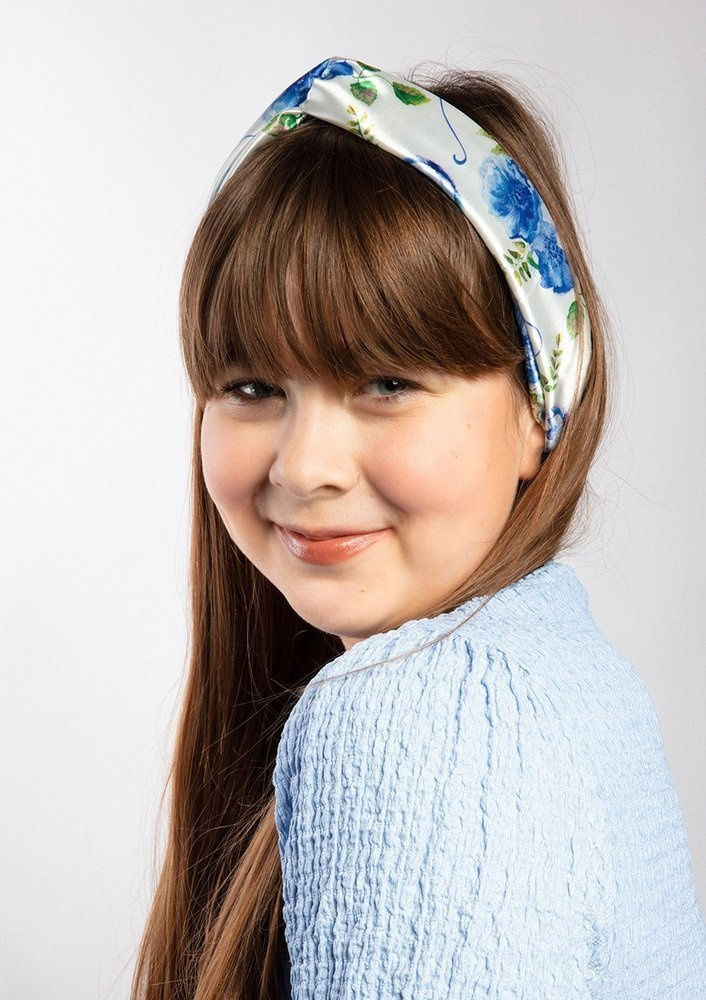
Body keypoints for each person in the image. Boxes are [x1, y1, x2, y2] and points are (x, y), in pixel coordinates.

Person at [131, 57, 706, 999]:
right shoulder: (557, 668)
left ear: (536, 409)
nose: (304, 466)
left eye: (387, 382)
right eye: (252, 386)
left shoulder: (421, 721)